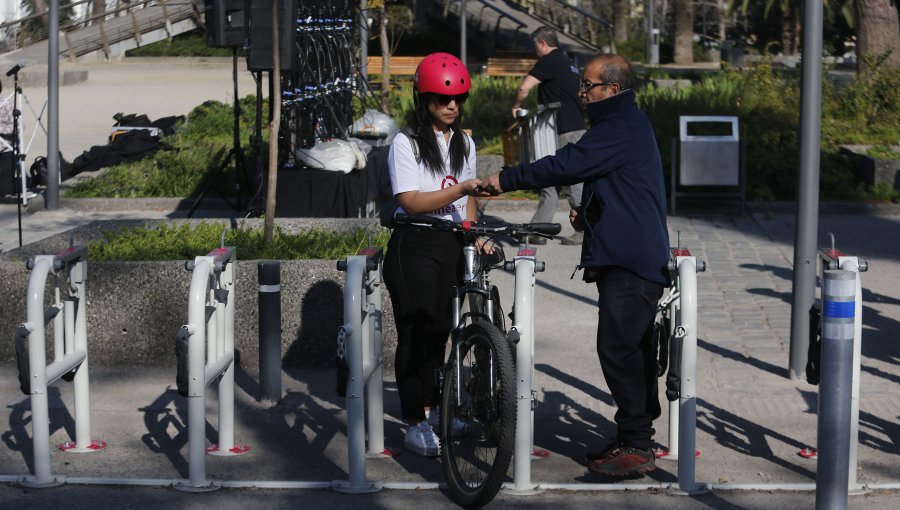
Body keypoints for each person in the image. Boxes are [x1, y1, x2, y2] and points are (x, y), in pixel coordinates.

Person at [484, 54, 670, 476]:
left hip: (631, 260)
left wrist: (506, 178)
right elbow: (619, 183)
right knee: (632, 350)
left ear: (613, 90)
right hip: (628, 253)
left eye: (588, 86)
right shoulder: (620, 125)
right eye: (582, 86)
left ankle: (638, 445)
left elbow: (568, 164)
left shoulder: (620, 126)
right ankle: (634, 438)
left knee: (620, 350)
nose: (581, 93)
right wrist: (588, 214)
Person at [382, 52, 488, 457]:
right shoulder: (405, 143)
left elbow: (471, 202)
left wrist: (474, 235)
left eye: (458, 99)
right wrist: (461, 190)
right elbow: (409, 201)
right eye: (442, 99)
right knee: (417, 329)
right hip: (415, 243)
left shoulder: (464, 141)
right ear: (422, 98)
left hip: (449, 244)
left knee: (442, 328)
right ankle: (414, 421)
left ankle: (431, 410)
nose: (451, 106)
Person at [511, 26, 586, 245]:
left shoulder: (549, 61)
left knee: (573, 181)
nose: (535, 51)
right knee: (548, 178)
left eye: (535, 46)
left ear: (542, 43)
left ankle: (584, 230)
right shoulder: (569, 64)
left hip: (565, 130)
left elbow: (525, 88)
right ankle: (538, 231)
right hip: (567, 128)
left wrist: (516, 106)